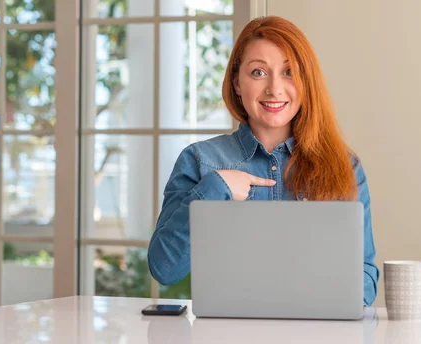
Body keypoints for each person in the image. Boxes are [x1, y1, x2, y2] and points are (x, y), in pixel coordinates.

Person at [147, 16, 379, 306]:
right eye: (258, 72)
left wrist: (318, 291)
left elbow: (367, 279)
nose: (275, 89)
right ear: (237, 83)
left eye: (289, 72)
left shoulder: (345, 166)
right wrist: (215, 188)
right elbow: (164, 269)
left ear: (307, 83)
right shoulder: (200, 160)